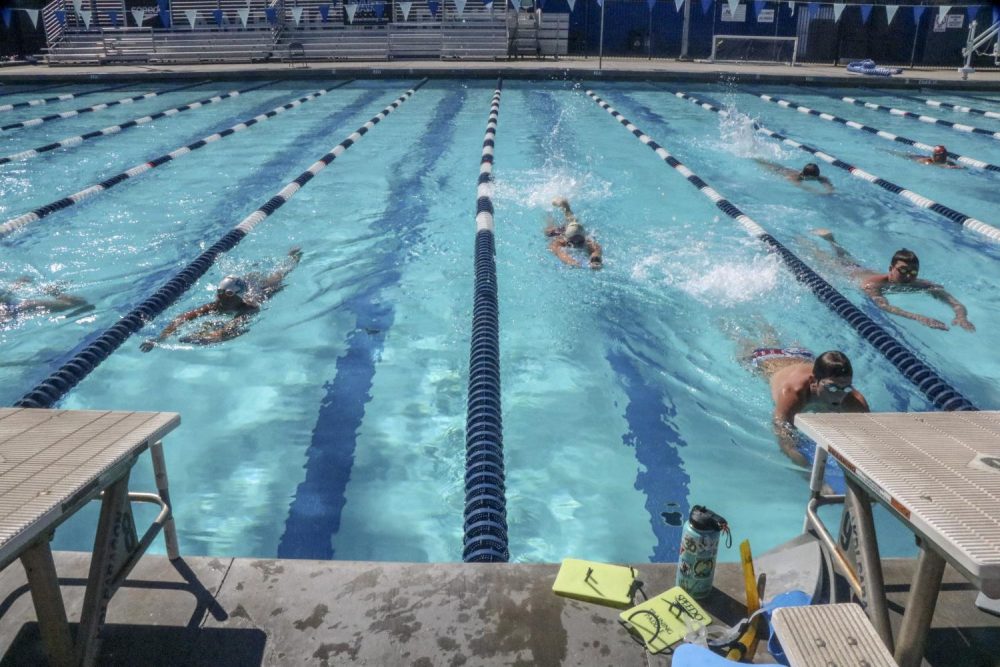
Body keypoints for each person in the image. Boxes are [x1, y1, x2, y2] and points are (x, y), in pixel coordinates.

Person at [140, 247, 302, 351]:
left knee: (277, 279)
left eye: (223, 295)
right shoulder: (215, 305)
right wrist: (159, 338)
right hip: (246, 287)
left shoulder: (249, 309)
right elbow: (182, 318)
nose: (219, 298)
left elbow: (230, 331)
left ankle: (292, 258)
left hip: (260, 293)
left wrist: (203, 339)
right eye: (219, 294)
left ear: (235, 296)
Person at [813, 229, 974, 331]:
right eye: (902, 270)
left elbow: (952, 301)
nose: (908, 275)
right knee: (827, 258)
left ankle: (832, 240)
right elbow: (885, 306)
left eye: (913, 272)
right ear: (890, 269)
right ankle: (812, 241)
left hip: (861, 269)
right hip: (847, 273)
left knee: (846, 257)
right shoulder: (873, 285)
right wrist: (919, 317)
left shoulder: (919, 283)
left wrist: (961, 316)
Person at [748, 346, 869, 466]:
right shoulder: (792, 392)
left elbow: (870, 440)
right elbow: (785, 440)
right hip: (767, 359)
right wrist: (810, 473)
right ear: (813, 382)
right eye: (832, 388)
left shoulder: (853, 399)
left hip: (803, 356)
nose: (839, 395)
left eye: (847, 388)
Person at [1, 275, 90, 325]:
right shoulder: (22, 306)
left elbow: (80, 302)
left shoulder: (24, 305)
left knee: (76, 303)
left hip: (10, 307)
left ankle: (53, 292)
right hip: (9, 307)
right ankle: (53, 292)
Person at [545, 197, 603, 270]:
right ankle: (551, 210)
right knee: (549, 230)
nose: (576, 243)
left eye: (580, 241)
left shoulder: (588, 242)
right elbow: (562, 255)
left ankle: (566, 207)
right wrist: (574, 263)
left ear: (584, 238)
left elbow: (597, 251)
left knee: (573, 223)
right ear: (566, 239)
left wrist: (595, 259)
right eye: (573, 241)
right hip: (557, 232)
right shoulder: (557, 243)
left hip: (571, 231)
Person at [755, 159, 834, 193]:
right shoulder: (795, 178)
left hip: (785, 169)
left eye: (816, 177)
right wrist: (817, 192)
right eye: (813, 178)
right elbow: (803, 187)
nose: (816, 179)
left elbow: (827, 182)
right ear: (806, 176)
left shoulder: (816, 176)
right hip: (776, 170)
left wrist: (830, 190)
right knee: (762, 163)